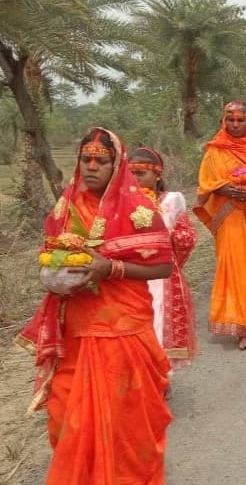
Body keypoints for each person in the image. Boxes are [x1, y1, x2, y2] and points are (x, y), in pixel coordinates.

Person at [17, 127, 174, 483]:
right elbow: (50, 254)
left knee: (123, 421)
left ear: (115, 165)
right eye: (85, 159)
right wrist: (54, 274)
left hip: (122, 330)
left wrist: (111, 268)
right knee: (63, 413)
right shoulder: (66, 206)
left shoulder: (141, 209)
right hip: (75, 329)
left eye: (100, 161)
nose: (91, 166)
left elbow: (164, 265)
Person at [195, 100, 246, 350]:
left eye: (240, 120)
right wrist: (224, 188)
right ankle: (230, 320)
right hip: (227, 218)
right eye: (230, 120)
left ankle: (244, 326)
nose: (235, 124)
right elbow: (204, 184)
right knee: (230, 267)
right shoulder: (214, 150)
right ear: (223, 121)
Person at [129, 147, 199, 372]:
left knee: (158, 324)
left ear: (157, 174)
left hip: (162, 275)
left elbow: (187, 236)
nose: (135, 179)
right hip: (131, 273)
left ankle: (159, 377)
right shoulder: (122, 203)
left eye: (141, 173)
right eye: (130, 174)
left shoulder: (172, 200)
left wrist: (164, 238)